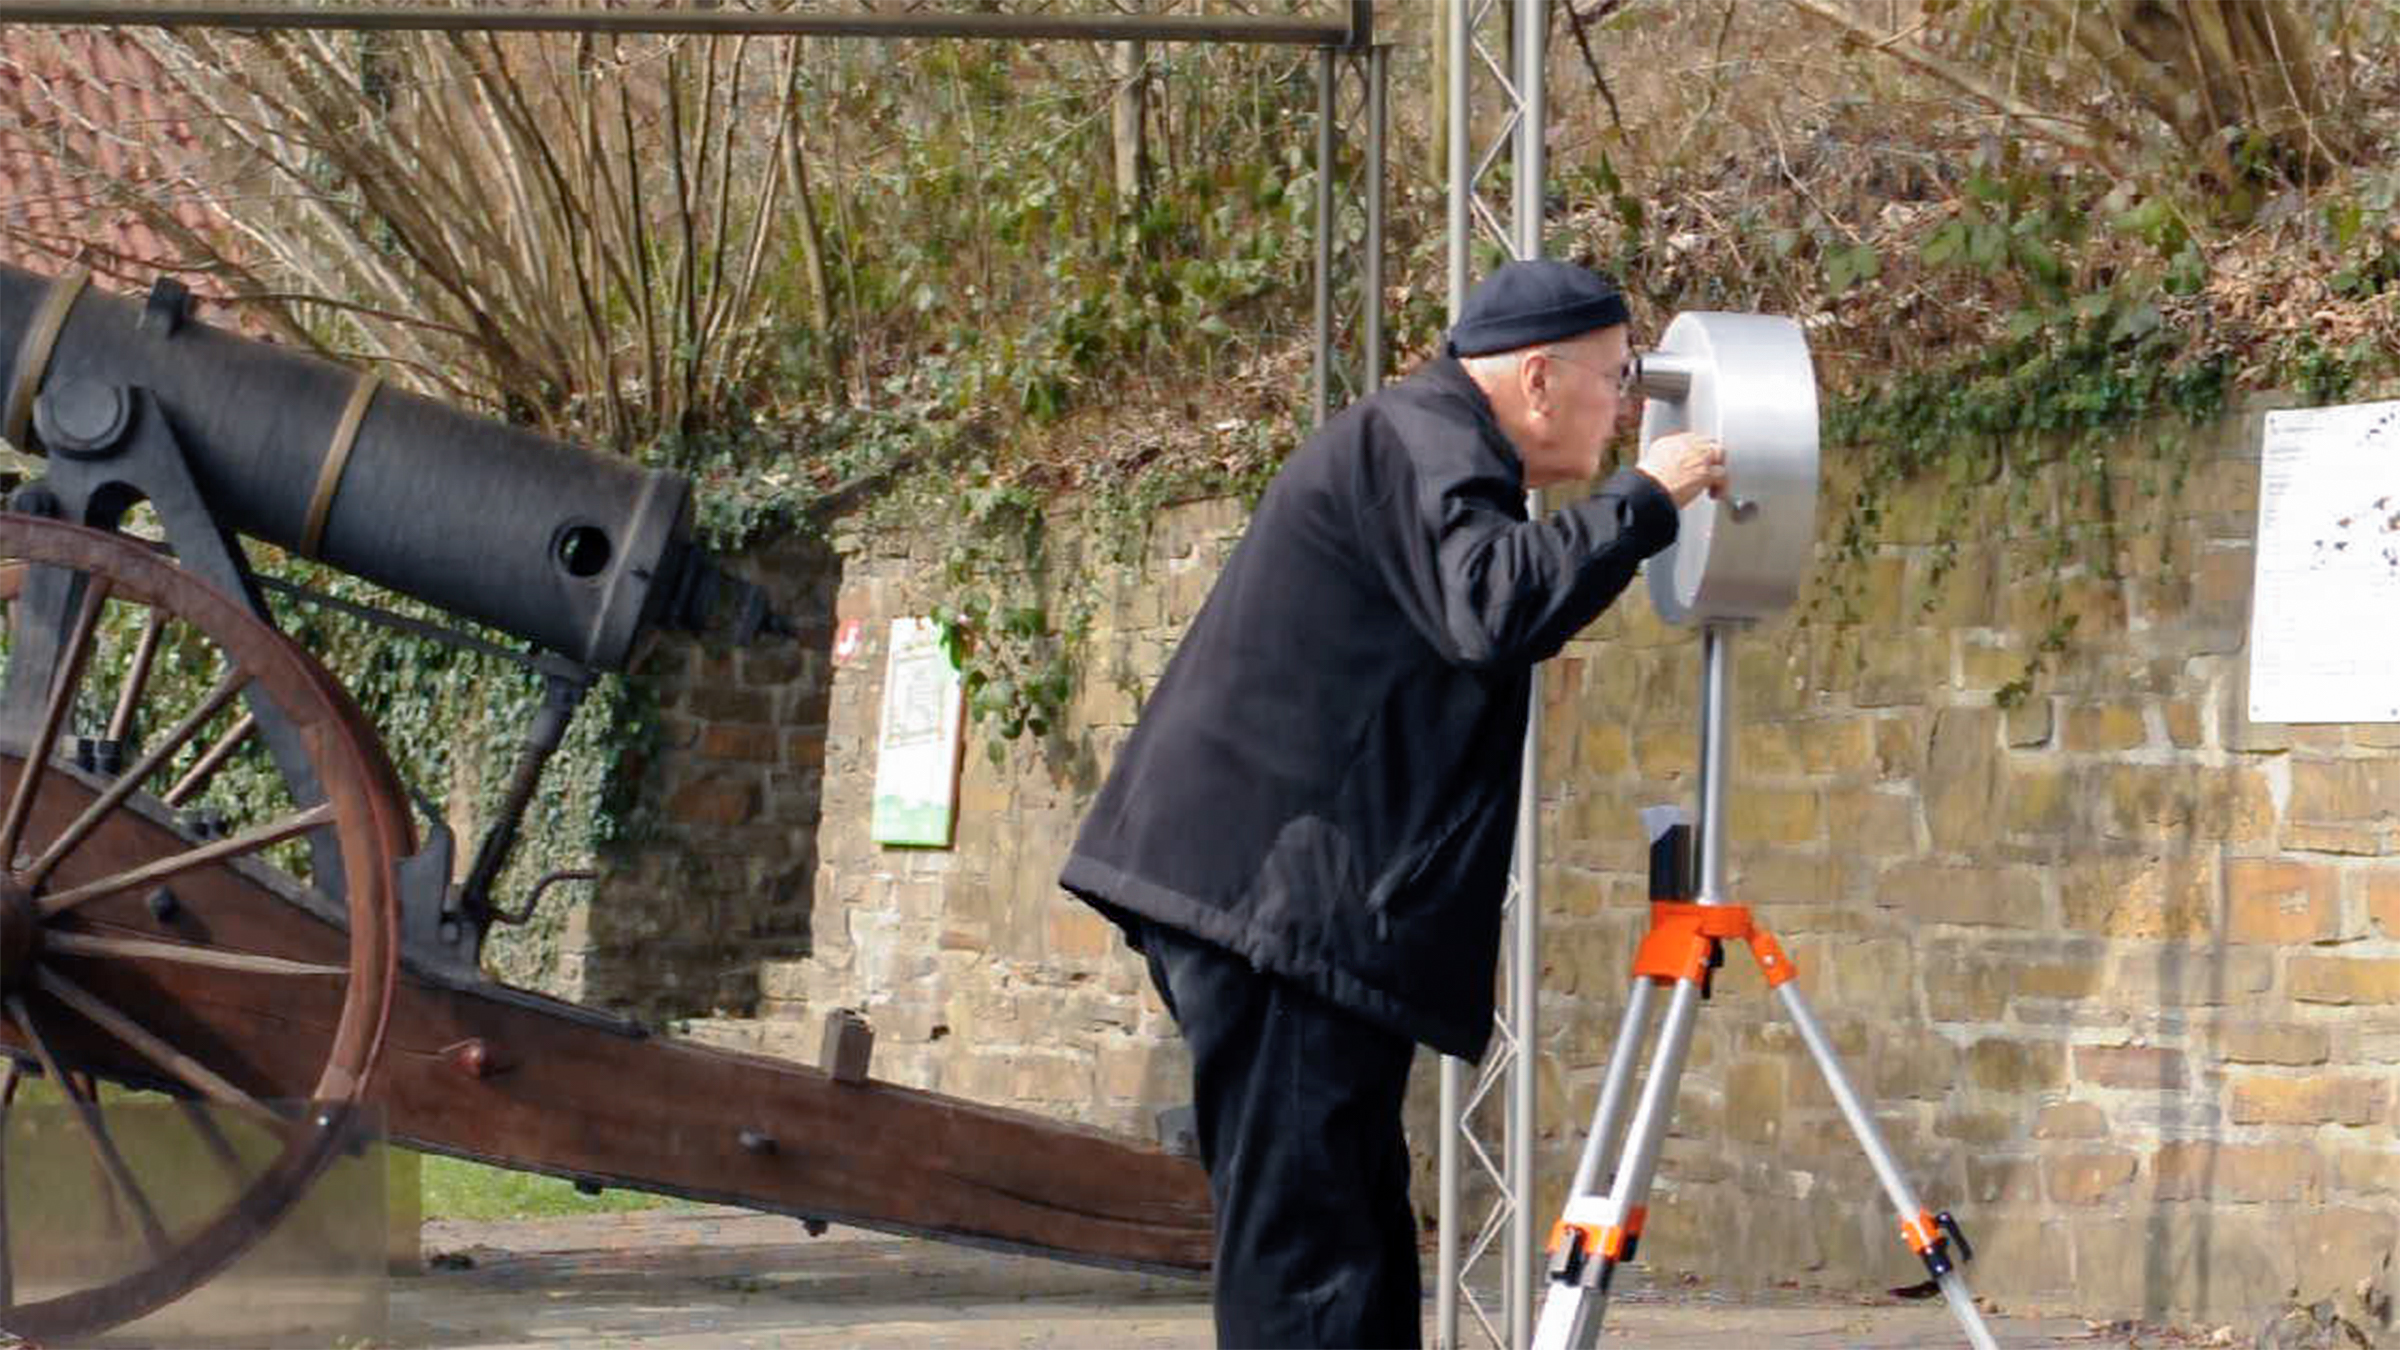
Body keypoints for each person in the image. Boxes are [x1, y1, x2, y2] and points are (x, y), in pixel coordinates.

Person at [1058, 259, 1726, 1349]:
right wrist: (1643, 502)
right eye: (1618, 377)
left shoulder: (1431, 443)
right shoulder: (1425, 439)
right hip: (1276, 913)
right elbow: (1494, 606)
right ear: (1541, 378)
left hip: (1289, 909)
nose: (1630, 406)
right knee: (1310, 1262)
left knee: (1357, 1244)